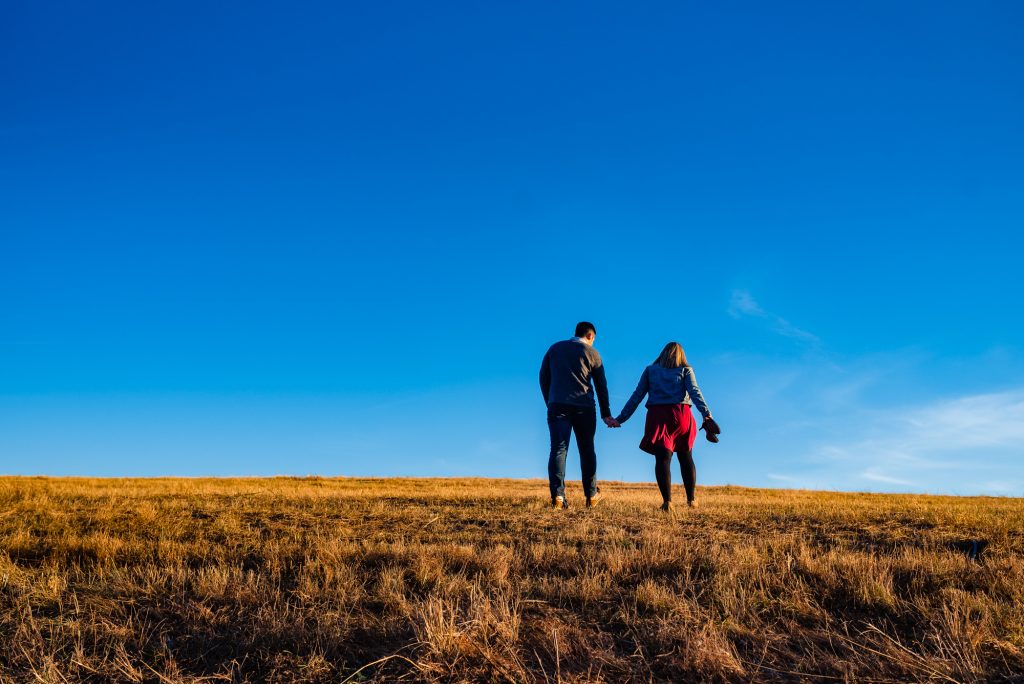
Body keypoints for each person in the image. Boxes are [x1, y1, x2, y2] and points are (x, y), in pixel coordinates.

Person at [614, 342, 720, 511]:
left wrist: (621, 418)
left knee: (663, 458)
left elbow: (637, 396)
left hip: (658, 416)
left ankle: (667, 502)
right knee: (686, 457)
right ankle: (691, 500)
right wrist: (707, 415)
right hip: (682, 415)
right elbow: (695, 392)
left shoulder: (650, 370)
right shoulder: (686, 370)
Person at [539, 321, 620, 509]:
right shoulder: (592, 353)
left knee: (558, 449)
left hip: (558, 405)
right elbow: (601, 386)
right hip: (584, 407)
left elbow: (543, 377)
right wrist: (606, 413)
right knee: (587, 450)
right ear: (590, 336)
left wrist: (550, 400)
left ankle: (558, 497)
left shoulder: (555, 348)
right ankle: (591, 495)